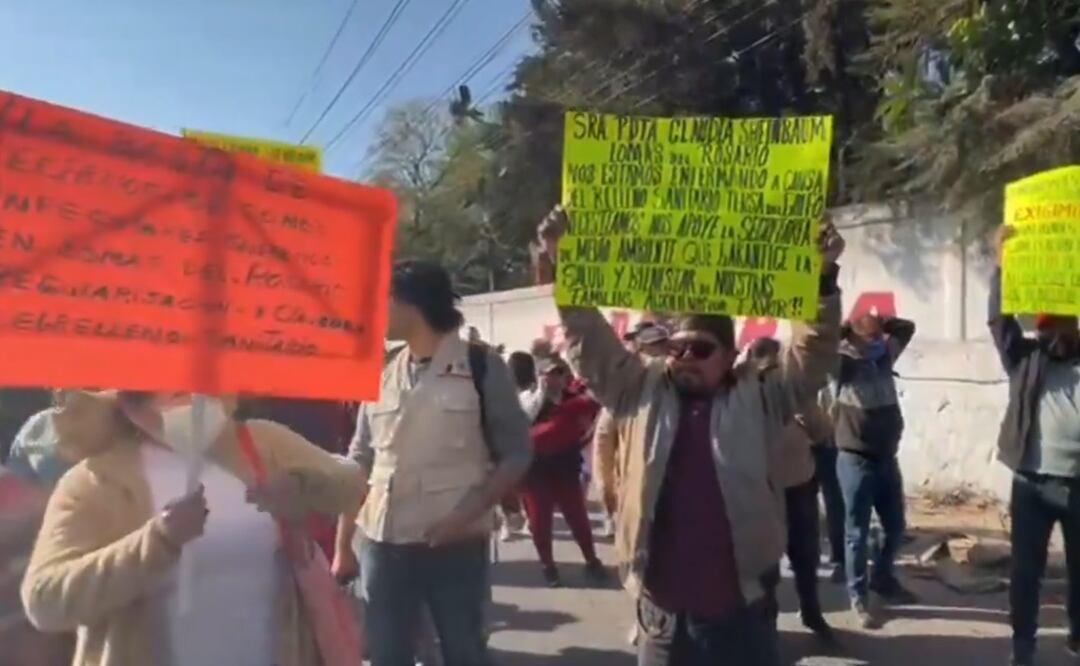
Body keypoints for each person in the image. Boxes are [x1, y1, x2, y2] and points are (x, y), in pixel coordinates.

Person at [537, 207, 844, 666]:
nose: (684, 358)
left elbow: (813, 354)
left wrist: (820, 278)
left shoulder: (761, 396)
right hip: (661, 623)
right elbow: (590, 340)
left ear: (730, 355)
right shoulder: (639, 390)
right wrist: (564, 261)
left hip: (742, 618)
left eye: (699, 349)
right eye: (676, 348)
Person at [19, 390, 363, 666]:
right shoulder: (95, 481)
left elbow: (352, 485)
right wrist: (157, 541)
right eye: (158, 393)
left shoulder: (260, 442)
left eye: (194, 386)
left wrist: (303, 485)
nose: (183, 401)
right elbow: (45, 600)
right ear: (125, 402)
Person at [334, 260, 532, 666]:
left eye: (383, 301)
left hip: (455, 546)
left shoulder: (480, 365)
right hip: (381, 545)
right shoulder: (383, 371)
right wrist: (342, 546)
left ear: (411, 303)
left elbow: (516, 454)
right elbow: (360, 461)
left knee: (463, 652)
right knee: (387, 655)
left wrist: (466, 516)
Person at [989, 226, 1080, 666]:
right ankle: (1022, 645)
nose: (1051, 333)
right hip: (1032, 484)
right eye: (1045, 326)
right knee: (1026, 572)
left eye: (1060, 323)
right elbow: (999, 323)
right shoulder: (1026, 360)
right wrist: (1000, 270)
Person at [833, 308, 918, 627]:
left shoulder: (883, 358)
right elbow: (821, 347)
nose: (875, 344)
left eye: (877, 339)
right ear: (853, 339)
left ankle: (883, 578)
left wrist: (882, 323)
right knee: (857, 533)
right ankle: (859, 596)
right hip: (855, 459)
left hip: (886, 459)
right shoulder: (842, 364)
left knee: (895, 527)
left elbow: (907, 328)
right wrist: (843, 331)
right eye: (867, 340)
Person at [748, 338, 834, 641]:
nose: (770, 379)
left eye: (774, 370)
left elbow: (824, 431)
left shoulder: (797, 398)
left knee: (806, 558)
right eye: (763, 372)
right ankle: (766, 627)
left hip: (799, 488)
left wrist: (804, 415)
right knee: (765, 566)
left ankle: (811, 613)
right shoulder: (742, 399)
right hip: (761, 493)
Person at [521, 355, 605, 587]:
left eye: (559, 373)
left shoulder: (577, 400)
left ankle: (592, 560)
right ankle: (548, 566)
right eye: (550, 373)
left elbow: (592, 421)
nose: (555, 378)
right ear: (539, 376)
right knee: (540, 521)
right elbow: (520, 425)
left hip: (566, 469)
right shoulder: (527, 400)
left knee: (578, 517)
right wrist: (541, 394)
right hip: (535, 472)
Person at [593, 321, 670, 539]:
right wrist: (607, 493)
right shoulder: (626, 390)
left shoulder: (678, 377)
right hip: (636, 488)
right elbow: (603, 445)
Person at [811, 384, 846, 584]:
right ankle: (816, 554)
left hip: (829, 445)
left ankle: (838, 557)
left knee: (834, 504)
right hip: (813, 444)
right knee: (813, 503)